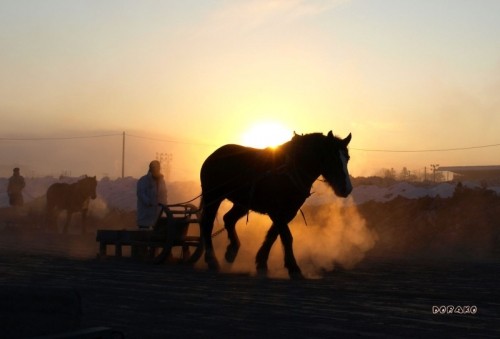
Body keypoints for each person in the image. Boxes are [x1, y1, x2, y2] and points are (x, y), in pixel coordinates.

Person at [136, 160, 168, 229]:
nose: (156, 169)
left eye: (157, 168)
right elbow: (141, 194)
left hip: (157, 218)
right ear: (150, 168)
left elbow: (164, 194)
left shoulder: (161, 181)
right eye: (154, 167)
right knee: (144, 236)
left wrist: (164, 205)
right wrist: (149, 202)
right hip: (145, 219)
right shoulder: (143, 180)